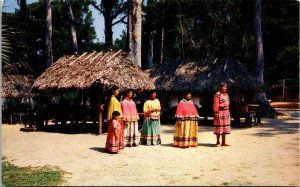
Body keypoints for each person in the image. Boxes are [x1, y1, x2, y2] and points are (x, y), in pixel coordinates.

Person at [213, 82, 231, 147]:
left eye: (226, 87)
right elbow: (215, 104)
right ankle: (218, 142)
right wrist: (216, 112)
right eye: (223, 87)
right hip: (220, 112)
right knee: (219, 126)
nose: (225, 88)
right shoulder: (217, 95)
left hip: (226, 112)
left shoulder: (226, 95)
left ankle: (223, 142)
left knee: (224, 127)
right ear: (220, 87)